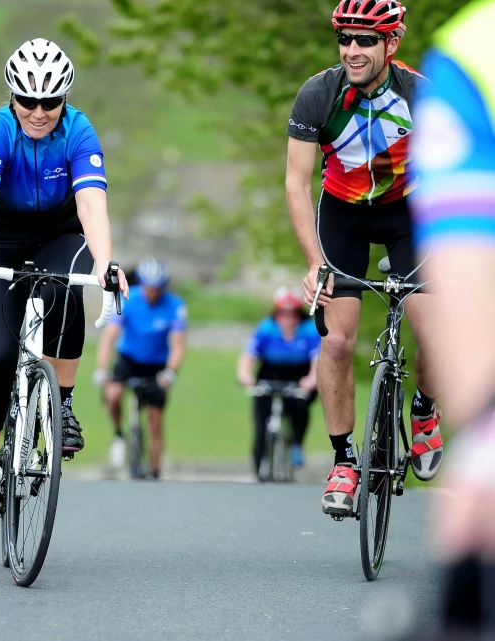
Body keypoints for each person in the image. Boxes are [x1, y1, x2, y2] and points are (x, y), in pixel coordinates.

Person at [0, 38, 129, 533]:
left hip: (57, 233)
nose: (38, 112)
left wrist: (106, 262)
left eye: (49, 102)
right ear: (12, 97)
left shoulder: (78, 129)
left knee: (67, 282)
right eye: (27, 101)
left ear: (64, 99)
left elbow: (92, 203)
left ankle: (63, 405)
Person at [285, 0, 442, 517]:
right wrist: (314, 263)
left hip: (408, 213)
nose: (352, 50)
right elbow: (296, 182)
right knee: (338, 340)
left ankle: (423, 411)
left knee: (432, 328)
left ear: (391, 44)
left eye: (365, 40)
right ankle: (344, 460)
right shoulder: (318, 94)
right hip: (344, 216)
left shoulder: (421, 95)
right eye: (345, 39)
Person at [411, 0, 495, 635]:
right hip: (366, 217)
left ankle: (424, 413)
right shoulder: (474, 51)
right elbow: (466, 261)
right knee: (342, 334)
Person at [93, 257, 187, 479]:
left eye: (157, 288)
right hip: (129, 359)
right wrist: (102, 369)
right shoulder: (129, 299)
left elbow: (178, 346)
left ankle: (155, 470)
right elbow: (109, 338)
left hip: (157, 364)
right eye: (148, 287)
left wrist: (170, 371)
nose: (152, 293)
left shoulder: (175, 306)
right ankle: (118, 434)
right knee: (113, 394)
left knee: (155, 420)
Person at [237, 287, 320, 476]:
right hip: (269, 375)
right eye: (283, 314)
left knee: (300, 406)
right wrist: (245, 375)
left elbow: (317, 360)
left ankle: (297, 444)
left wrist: (311, 380)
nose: (287, 319)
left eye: (292, 314)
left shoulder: (308, 329)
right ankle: (259, 467)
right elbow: (248, 355)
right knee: (260, 423)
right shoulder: (266, 327)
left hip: (299, 376)